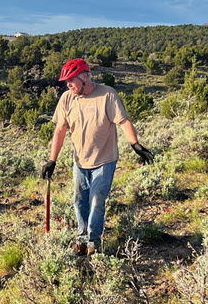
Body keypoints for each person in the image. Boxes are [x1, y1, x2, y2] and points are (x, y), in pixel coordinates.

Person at [41, 58, 153, 255]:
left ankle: (93, 241)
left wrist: (135, 144)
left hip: (104, 160)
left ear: (85, 77)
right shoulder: (67, 99)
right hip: (79, 161)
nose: (68, 85)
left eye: (72, 80)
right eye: (66, 81)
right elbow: (60, 130)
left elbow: (123, 121)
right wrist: (52, 160)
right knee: (79, 201)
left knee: (96, 200)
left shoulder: (107, 94)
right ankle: (82, 238)